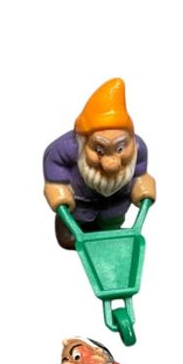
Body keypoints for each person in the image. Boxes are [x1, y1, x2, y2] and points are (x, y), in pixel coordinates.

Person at [43, 78, 156, 250]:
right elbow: (54, 162)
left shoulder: (138, 149)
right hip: (81, 199)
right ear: (84, 142)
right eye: (100, 151)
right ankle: (71, 229)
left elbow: (140, 172)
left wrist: (141, 184)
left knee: (112, 220)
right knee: (75, 222)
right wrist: (58, 186)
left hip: (117, 199)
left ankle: (108, 232)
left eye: (120, 149)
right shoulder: (67, 148)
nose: (111, 164)